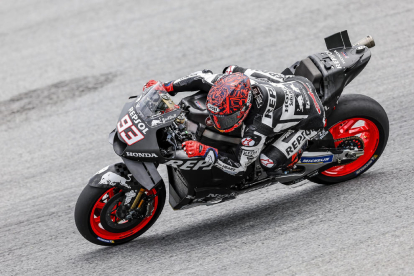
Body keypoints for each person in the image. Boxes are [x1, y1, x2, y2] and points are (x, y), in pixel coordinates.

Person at [144, 65, 326, 176]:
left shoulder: (257, 127)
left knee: (268, 162)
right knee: (231, 69)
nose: (217, 121)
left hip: (312, 116)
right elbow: (199, 77)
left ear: (246, 106)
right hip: (292, 82)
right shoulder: (225, 81)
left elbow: (239, 166)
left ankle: (298, 154)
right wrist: (165, 87)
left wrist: (204, 150)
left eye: (227, 117)